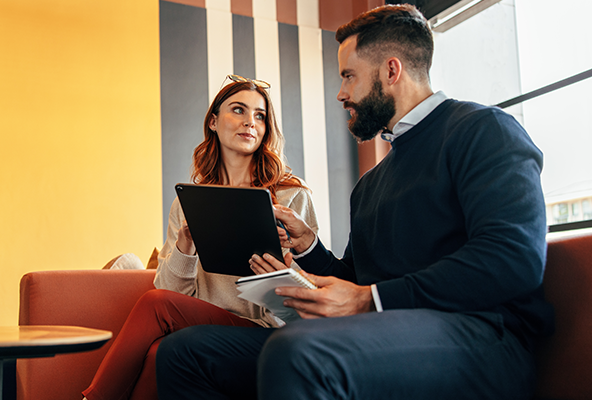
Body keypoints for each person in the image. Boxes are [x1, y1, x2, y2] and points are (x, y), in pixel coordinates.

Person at [155, 5, 554, 400]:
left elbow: (512, 258)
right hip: (386, 330)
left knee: (297, 351)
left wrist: (371, 300)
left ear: (391, 71)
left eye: (349, 76)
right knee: (184, 353)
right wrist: (309, 246)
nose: (341, 93)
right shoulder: (371, 183)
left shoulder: (483, 130)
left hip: (484, 338)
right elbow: (356, 277)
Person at [81, 75, 318, 400]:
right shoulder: (188, 203)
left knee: (155, 305)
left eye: (260, 116)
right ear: (213, 121)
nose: (250, 122)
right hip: (200, 323)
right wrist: (184, 247)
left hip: (264, 329)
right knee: (156, 334)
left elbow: (312, 286)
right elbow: (171, 291)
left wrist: (280, 271)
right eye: (238, 110)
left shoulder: (290, 197)